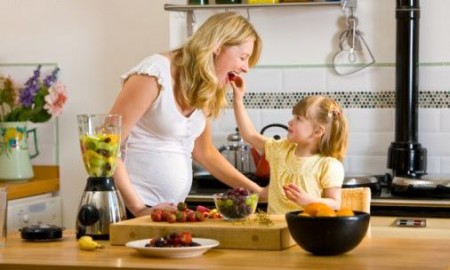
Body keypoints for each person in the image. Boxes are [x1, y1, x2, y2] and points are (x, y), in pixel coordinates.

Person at [108, 11, 265, 218]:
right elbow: (106, 142)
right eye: (243, 58)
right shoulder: (154, 73)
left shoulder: (204, 86)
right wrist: (138, 208)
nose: (245, 68)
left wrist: (258, 192)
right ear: (218, 46)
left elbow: (204, 152)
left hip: (167, 211)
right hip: (129, 210)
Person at [232, 81, 348, 214]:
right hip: (274, 229)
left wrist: (308, 200)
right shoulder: (280, 149)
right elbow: (249, 135)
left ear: (317, 131)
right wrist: (238, 99)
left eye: (298, 118)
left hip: (305, 231)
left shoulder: (328, 165)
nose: (290, 122)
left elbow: (335, 203)